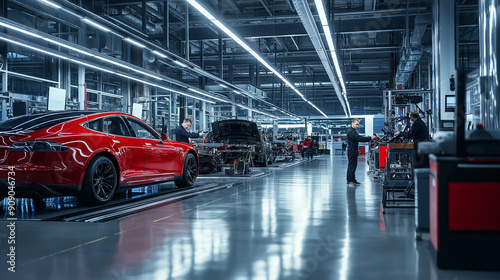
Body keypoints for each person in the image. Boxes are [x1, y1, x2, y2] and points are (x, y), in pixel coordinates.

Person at [347, 118, 377, 186]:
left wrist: (369, 138)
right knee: (351, 166)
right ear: (352, 123)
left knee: (353, 166)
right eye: (356, 124)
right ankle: (350, 180)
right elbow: (359, 138)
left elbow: (359, 137)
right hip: (352, 151)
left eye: (358, 124)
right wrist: (370, 138)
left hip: (353, 151)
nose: (357, 126)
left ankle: (353, 180)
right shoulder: (350, 131)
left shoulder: (353, 131)